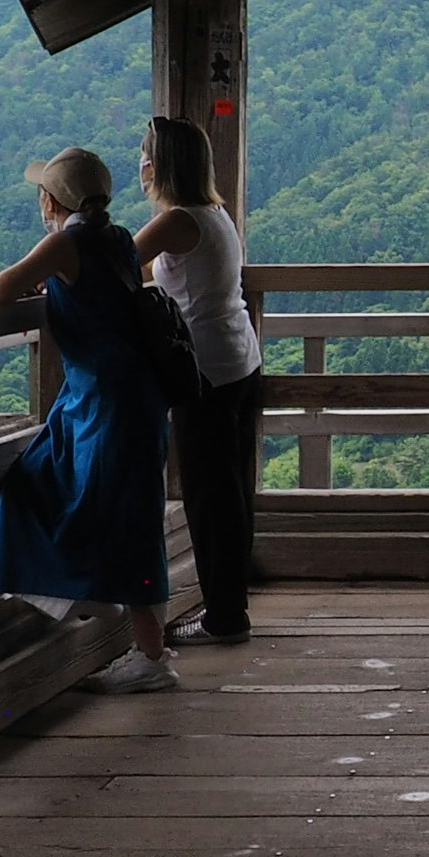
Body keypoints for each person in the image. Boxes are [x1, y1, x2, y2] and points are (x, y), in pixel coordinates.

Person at [0, 147, 177, 691]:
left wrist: (42, 275)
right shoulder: (115, 238)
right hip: (119, 394)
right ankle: (95, 598)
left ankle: (151, 657)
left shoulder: (66, 242)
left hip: (106, 399)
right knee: (69, 490)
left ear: (50, 198)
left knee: (119, 514)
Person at [134, 115, 262, 646]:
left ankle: (224, 617)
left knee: (210, 496)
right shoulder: (214, 214)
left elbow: (113, 261)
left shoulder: (177, 219)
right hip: (239, 359)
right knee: (230, 491)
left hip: (204, 370)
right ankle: (230, 604)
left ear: (159, 165)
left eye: (144, 156)